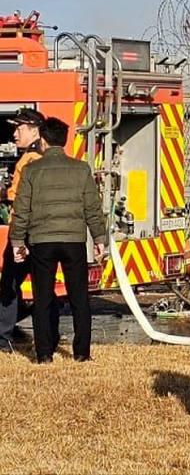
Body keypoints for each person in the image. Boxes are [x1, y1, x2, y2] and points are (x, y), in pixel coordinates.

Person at [10, 117, 107, 363]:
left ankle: (44, 354)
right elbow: (92, 208)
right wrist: (99, 237)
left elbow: (22, 210)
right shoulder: (81, 169)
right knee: (79, 298)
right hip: (74, 241)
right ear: (63, 141)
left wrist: (17, 242)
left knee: (43, 298)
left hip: (41, 242)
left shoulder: (31, 170)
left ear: (42, 140)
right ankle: (82, 353)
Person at [0, 107, 49, 353]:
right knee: (43, 287)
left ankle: (3, 339)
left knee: (9, 284)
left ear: (34, 130)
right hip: (43, 233)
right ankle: (48, 338)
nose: (14, 134)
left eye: (19, 129)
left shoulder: (29, 161)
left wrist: (18, 238)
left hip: (24, 231)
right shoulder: (44, 156)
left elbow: (19, 199)